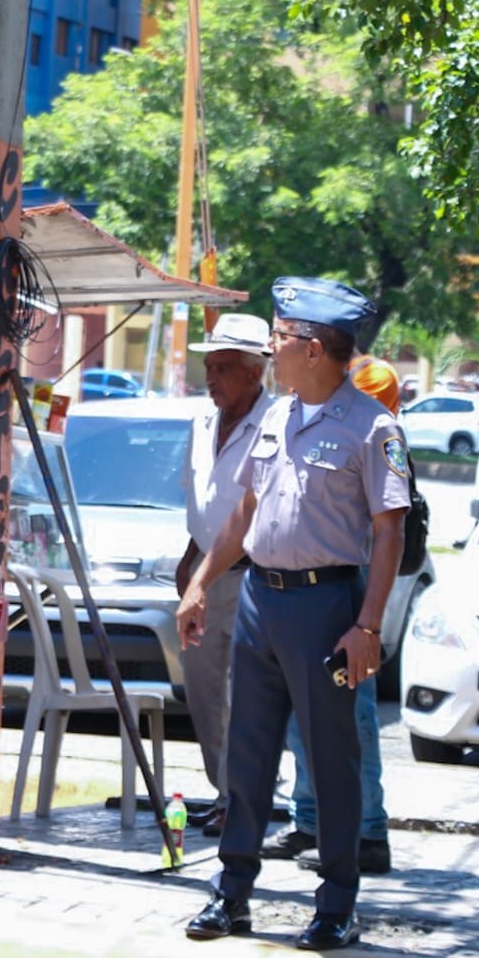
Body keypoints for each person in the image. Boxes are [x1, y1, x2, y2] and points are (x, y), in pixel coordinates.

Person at [177, 277, 409, 952]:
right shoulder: (276, 417)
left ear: (312, 348)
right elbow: (245, 510)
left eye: (278, 339)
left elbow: (389, 531)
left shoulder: (373, 427)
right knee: (246, 756)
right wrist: (199, 584)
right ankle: (232, 893)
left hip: (325, 606)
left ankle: (336, 903)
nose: (272, 350)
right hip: (260, 599)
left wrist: (367, 626)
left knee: (331, 759)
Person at [266, 347, 401, 873]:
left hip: (348, 582)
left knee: (353, 716)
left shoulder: (370, 398)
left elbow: (385, 522)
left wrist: (367, 621)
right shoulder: (307, 405)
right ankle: (309, 821)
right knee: (303, 716)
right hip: (304, 587)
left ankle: (367, 832)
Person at [175, 313, 274, 837]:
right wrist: (190, 560)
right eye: (208, 367)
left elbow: (255, 508)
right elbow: (204, 500)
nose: (211, 379)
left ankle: (240, 799)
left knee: (242, 698)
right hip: (205, 576)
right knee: (203, 690)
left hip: (253, 574)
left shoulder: (278, 422)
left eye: (223, 369)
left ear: (255, 372)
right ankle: (224, 792)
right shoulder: (202, 422)